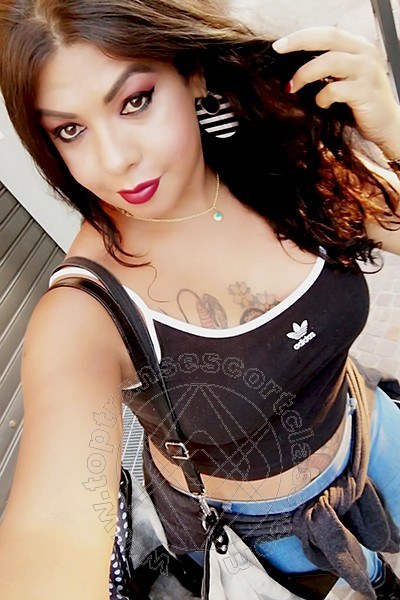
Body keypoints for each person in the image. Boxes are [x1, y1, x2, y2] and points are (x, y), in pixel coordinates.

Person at [0, 0, 400, 598]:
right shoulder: (85, 312)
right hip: (265, 533)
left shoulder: (276, 160)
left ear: (192, 72)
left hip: (369, 430)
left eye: (135, 100)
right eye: (70, 130)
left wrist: (394, 131)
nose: (115, 160)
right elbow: (55, 530)